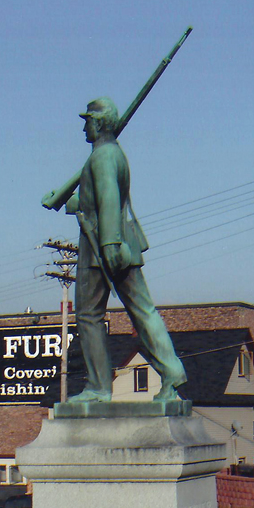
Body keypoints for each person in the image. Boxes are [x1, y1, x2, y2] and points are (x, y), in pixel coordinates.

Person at [65, 97, 187, 403]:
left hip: (102, 247)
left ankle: (98, 387)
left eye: (88, 120)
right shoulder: (113, 154)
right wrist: (78, 202)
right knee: (143, 311)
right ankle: (172, 372)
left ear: (99, 123)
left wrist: (108, 245)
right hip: (120, 242)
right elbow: (107, 198)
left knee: (88, 315)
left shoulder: (102, 157)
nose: (84, 127)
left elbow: (108, 198)